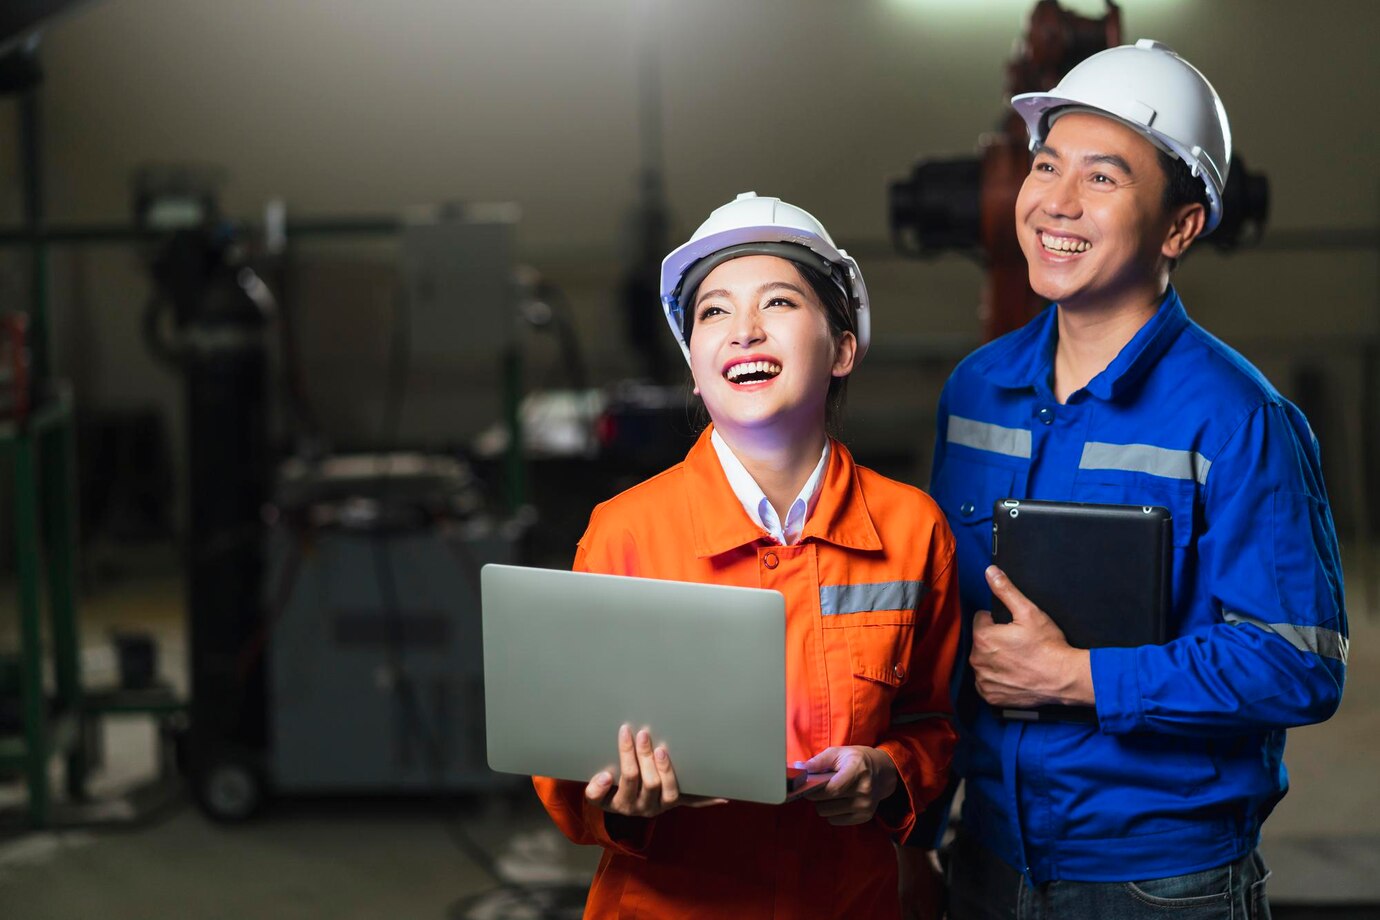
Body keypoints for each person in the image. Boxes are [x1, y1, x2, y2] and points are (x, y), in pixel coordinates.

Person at [905, 40, 1347, 919]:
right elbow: (950, 632)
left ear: (1180, 226)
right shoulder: (978, 391)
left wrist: (1079, 678)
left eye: (1103, 179)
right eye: (1045, 167)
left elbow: (1298, 665)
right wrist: (915, 834)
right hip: (986, 859)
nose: (1056, 204)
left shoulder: (1237, 419)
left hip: (1159, 882)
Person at [534, 192, 962, 918]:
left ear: (844, 348)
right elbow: (563, 769)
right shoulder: (626, 531)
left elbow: (935, 723)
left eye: (780, 303)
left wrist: (888, 774)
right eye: (714, 312)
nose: (745, 330)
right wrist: (624, 798)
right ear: (696, 371)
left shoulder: (911, 529)